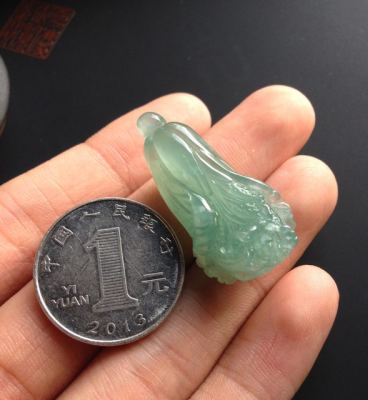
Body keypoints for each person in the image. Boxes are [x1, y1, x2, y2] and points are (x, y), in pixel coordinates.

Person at [0, 85, 339, 399]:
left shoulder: (176, 145)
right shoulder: (162, 151)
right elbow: (196, 192)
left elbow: (216, 177)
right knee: (204, 198)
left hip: (227, 201)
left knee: (213, 193)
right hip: (220, 207)